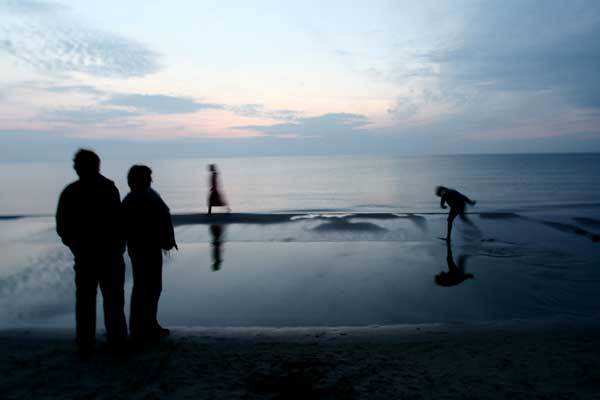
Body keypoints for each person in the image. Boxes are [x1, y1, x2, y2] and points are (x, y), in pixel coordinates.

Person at [56, 149, 128, 355]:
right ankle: (116, 340)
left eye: (77, 164)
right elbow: (119, 222)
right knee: (112, 300)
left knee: (87, 301)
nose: (75, 168)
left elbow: (63, 226)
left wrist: (75, 245)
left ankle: (86, 342)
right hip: (107, 255)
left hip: (89, 255)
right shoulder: (108, 188)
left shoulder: (72, 191)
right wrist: (118, 246)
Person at [122, 165, 177, 342]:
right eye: (148, 177)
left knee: (149, 288)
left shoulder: (143, 195)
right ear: (139, 179)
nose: (151, 180)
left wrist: (167, 240)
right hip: (144, 249)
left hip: (147, 247)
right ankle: (142, 327)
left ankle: (148, 324)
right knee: (146, 288)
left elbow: (162, 217)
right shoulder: (136, 198)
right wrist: (166, 240)